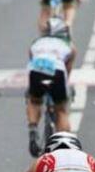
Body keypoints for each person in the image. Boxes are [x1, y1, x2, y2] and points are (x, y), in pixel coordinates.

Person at [26, 17, 76, 157]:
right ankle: (64, 146)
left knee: (34, 100)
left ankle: (33, 129)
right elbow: (67, 69)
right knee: (61, 110)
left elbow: (32, 61)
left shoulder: (35, 43)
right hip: (57, 71)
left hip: (37, 70)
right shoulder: (69, 45)